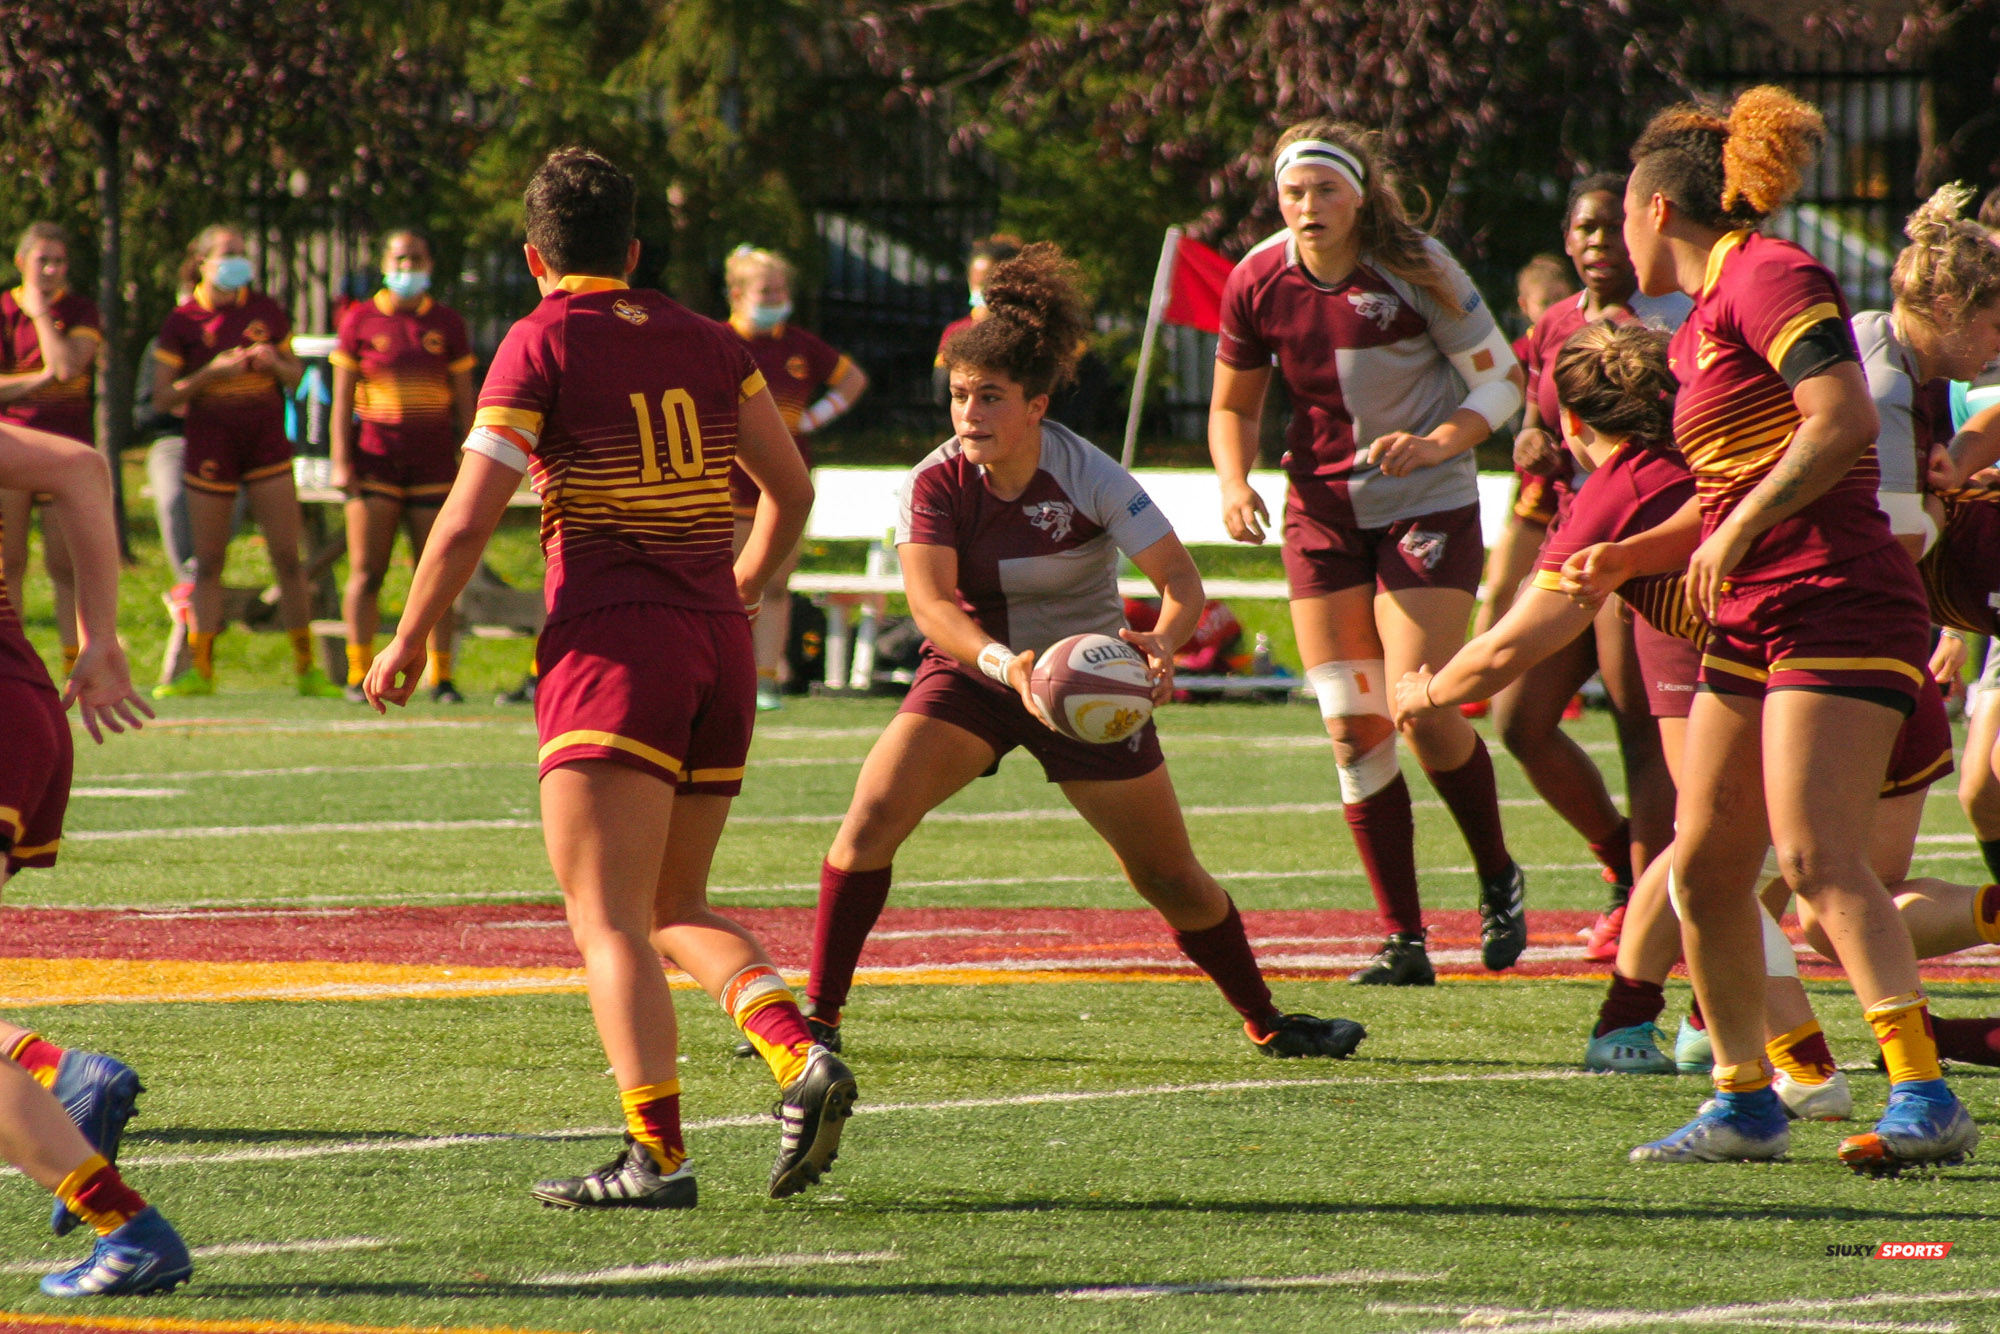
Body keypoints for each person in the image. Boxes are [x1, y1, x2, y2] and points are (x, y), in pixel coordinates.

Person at [363, 148, 851, 1207]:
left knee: (608, 920)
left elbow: (463, 518)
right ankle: (794, 1054)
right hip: (714, 644)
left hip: (613, 640)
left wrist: (405, 636)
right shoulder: (713, 340)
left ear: (534, 255)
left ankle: (657, 1156)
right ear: (632, 251)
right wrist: (744, 586)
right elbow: (791, 487)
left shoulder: (539, 340)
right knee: (675, 900)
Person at [803, 243, 1367, 1061]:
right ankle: (816, 1020)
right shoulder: (933, 482)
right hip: (977, 675)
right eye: (959, 396)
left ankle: (1269, 1019)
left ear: (1036, 404)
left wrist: (1163, 646)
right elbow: (929, 607)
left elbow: (1181, 582)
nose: (968, 415)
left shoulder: (1090, 472)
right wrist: (1006, 666)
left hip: (1088, 689)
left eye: (989, 398)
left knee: (1169, 876)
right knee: (869, 822)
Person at [1592, 86, 1973, 1171]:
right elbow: (1723, 493)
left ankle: (1923, 1091)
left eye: (1620, 209)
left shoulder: (1766, 272)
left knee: (1812, 858)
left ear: (1653, 208)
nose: (1616, 229)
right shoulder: (1695, 324)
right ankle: (1745, 1101)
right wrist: (1632, 554)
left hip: (1835, 597)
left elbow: (1840, 420)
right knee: (1702, 871)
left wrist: (1738, 525)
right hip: (1754, 613)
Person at [1208, 119, 1528, 985]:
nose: (1308, 206)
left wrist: (1436, 441)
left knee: (1419, 706)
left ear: (1361, 195)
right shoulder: (1257, 277)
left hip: (1423, 504)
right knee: (1353, 728)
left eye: (1325, 190)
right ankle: (1405, 939)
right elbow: (1233, 406)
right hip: (1321, 517)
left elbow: (1503, 381)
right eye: (1293, 192)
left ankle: (1498, 874)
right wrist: (1236, 484)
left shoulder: (1418, 265)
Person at [0, 416, 187, 1296]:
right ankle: (59, 1074)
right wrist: (98, 636)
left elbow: (78, 464)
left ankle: (130, 1230)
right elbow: (75, 466)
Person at [1496, 176, 1692, 963]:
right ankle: (1623, 865)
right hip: (1573, 532)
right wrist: (1529, 441)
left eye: (1612, 227)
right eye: (1583, 228)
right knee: (1519, 718)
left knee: (1639, 730)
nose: (1598, 242)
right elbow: (1539, 423)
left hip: (1640, 540)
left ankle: (1647, 915)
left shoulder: (1675, 317)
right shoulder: (1554, 324)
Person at [151, 223, 342, 698]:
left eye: (242, 252)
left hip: (266, 446)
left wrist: (275, 364)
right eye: (228, 254)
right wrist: (210, 373)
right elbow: (161, 398)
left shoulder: (265, 310)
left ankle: (306, 669)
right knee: (209, 562)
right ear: (202, 262)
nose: (238, 262)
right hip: (210, 448)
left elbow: (297, 374)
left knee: (288, 558)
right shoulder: (183, 321)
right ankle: (201, 670)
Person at [329, 230, 477, 704]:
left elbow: (466, 400)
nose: (408, 266)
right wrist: (340, 459)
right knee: (366, 571)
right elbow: (340, 398)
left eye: (416, 258)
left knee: (435, 573)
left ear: (429, 262)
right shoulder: (360, 320)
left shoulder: (448, 323)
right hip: (375, 462)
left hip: (434, 463)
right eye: (400, 258)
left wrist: (471, 453)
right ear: (383, 262)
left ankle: (443, 676)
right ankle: (357, 671)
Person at [722, 246, 867, 709]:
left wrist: (816, 417)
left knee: (776, 585)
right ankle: (724, 674)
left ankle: (765, 679)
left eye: (782, 289)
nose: (776, 298)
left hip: (785, 486)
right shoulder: (719, 340)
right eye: (766, 291)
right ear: (737, 293)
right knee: (725, 584)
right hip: (727, 484)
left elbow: (853, 380)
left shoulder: (800, 344)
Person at [0, 222, 96, 676]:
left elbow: (66, 366)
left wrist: (39, 314)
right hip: (13, 447)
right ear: (21, 262)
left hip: (65, 450)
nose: (52, 269)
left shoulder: (79, 311)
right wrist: (36, 380)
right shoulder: (1, 309)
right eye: (43, 260)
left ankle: (74, 663)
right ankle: (12, 667)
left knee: (65, 565)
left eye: (59, 261)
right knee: (9, 564)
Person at [1469, 255, 1576, 655]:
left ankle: (1565, 685)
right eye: (1543, 301)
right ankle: (1474, 677)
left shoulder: (1587, 337)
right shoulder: (1520, 351)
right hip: (1538, 484)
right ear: (1524, 306)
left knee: (1563, 590)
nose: (1553, 309)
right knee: (1503, 584)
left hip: (1581, 482)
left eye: (1561, 298)